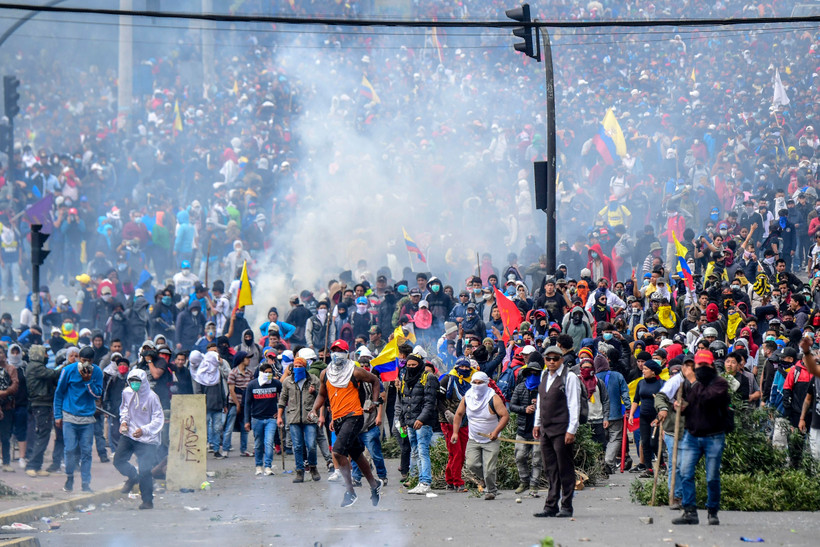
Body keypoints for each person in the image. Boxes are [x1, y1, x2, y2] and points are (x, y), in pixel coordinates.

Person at [309, 339, 383, 508]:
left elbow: (375, 381)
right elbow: (322, 395)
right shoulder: (325, 373)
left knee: (337, 452)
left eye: (340, 350)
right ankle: (374, 484)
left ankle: (350, 491)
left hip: (354, 416)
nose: (336, 354)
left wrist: (374, 402)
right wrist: (314, 409)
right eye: (334, 350)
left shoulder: (355, 371)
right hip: (338, 419)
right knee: (356, 454)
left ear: (347, 353)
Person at [673, 350, 731, 526]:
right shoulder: (691, 385)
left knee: (712, 476)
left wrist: (692, 380)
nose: (702, 368)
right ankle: (689, 511)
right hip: (692, 435)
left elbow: (708, 399)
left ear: (711, 365)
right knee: (685, 473)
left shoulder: (720, 383)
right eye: (700, 365)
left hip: (714, 436)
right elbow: (693, 406)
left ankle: (712, 511)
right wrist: (681, 407)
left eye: (705, 365)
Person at [533, 346, 580, 518]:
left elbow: (574, 404)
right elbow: (540, 401)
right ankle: (551, 505)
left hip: (562, 429)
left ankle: (566, 506)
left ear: (561, 359)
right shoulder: (544, 375)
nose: (551, 362)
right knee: (550, 469)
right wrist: (537, 423)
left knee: (565, 468)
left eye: (555, 358)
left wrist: (571, 430)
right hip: (546, 429)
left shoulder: (569, 377)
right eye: (548, 358)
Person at [450, 371, 509, 500]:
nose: (477, 385)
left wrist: (496, 432)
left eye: (480, 383)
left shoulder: (493, 398)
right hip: (474, 438)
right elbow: (459, 414)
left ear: (486, 383)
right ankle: (487, 478)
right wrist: (455, 432)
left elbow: (505, 416)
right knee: (472, 464)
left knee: (489, 469)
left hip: (491, 439)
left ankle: (491, 490)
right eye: (474, 383)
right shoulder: (467, 397)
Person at [53, 346, 103, 492]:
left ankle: (85, 483)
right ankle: (69, 477)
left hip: (87, 418)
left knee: (86, 452)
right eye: (83, 360)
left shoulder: (97, 372)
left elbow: (97, 395)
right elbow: (59, 393)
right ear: (78, 358)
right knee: (69, 450)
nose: (85, 364)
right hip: (69, 416)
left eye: (88, 361)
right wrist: (58, 415)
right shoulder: (68, 370)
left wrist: (88, 381)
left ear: (93, 361)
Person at [114, 368, 163, 510]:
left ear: (143, 381)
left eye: (137, 381)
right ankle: (132, 476)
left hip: (147, 439)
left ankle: (147, 501)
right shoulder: (127, 392)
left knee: (145, 470)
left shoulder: (152, 397)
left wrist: (144, 430)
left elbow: (158, 419)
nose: (134, 384)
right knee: (118, 460)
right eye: (132, 381)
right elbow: (124, 409)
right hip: (130, 434)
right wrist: (124, 422)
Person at [278, 356, 322, 482]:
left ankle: (313, 467)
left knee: (311, 445)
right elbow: (283, 399)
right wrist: (279, 416)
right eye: (295, 366)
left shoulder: (313, 380)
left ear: (305, 367)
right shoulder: (288, 381)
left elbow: (322, 397)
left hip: (310, 417)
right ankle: (299, 471)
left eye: (300, 366)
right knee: (297, 446)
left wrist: (314, 392)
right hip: (293, 417)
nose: (297, 368)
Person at [400, 353, 439, 495]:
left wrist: (421, 419)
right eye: (408, 365)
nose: (411, 367)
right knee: (415, 451)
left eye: (414, 365)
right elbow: (404, 401)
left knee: (423, 451)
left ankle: (425, 482)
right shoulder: (405, 378)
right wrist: (403, 421)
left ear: (420, 365)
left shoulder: (428, 378)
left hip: (423, 423)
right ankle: (418, 480)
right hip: (410, 421)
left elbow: (430, 402)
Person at [24, 345, 62, 477]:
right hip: (40, 404)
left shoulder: (36, 366)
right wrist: (66, 365)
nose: (47, 356)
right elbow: (53, 374)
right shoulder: (36, 367)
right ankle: (32, 465)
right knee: (42, 434)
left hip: (43, 403)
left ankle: (37, 465)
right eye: (45, 354)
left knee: (44, 435)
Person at [509, 354, 543, 496]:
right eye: (531, 373)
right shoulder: (520, 388)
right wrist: (525, 409)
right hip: (523, 430)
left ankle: (534, 485)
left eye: (536, 373)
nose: (533, 375)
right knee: (520, 457)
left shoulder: (544, 388)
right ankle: (524, 481)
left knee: (537, 459)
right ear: (527, 374)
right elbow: (512, 406)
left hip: (539, 430)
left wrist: (539, 405)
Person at [437, 357, 472, 491]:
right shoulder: (447, 379)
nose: (464, 369)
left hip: (464, 421)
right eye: (461, 367)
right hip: (449, 421)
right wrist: (446, 412)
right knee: (456, 452)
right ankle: (458, 482)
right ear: (456, 368)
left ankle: (450, 480)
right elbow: (437, 400)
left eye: (466, 367)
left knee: (460, 453)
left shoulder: (470, 381)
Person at [244, 360, 282, 476]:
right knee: (258, 444)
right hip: (257, 419)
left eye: (270, 372)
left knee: (269, 443)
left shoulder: (276, 384)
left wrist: (280, 412)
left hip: (271, 418)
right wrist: (247, 421)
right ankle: (258, 465)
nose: (268, 374)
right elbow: (247, 404)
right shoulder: (252, 385)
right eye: (266, 372)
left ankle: (268, 466)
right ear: (261, 373)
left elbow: (284, 396)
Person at [0, 354, 19, 472]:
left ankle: (6, 462)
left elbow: (15, 385)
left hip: (7, 406)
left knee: (5, 436)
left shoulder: (11, 369)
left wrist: (5, 392)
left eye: (1, 353)